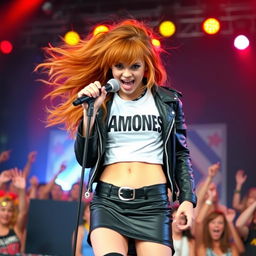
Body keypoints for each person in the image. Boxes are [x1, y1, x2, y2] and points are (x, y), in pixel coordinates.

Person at [37, 19, 197, 256]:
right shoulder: (103, 103)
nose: (126, 74)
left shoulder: (168, 102)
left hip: (153, 204)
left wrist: (187, 199)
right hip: (108, 202)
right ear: (111, 69)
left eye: (134, 66)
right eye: (119, 66)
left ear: (146, 67)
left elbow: (181, 155)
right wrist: (89, 114)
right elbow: (86, 159)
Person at [0, 168, 28, 254]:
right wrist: (0, 182)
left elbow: (23, 213)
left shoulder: (16, 228)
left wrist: (22, 189)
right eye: (3, 210)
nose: (6, 213)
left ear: (13, 213)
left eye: (9, 211)